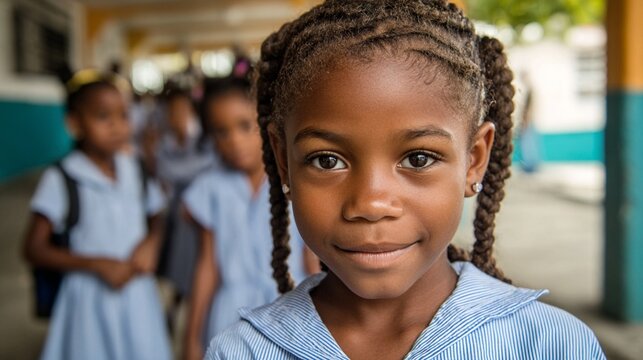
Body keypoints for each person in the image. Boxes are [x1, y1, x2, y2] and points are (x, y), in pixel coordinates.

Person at [205, 1, 606, 359]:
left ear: (474, 160)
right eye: (327, 160)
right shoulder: (243, 350)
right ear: (283, 161)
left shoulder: (551, 345)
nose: (371, 203)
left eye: (418, 158)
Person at [23, 68, 171, 360]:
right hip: (88, 298)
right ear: (74, 124)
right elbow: (33, 248)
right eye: (103, 117)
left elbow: (157, 214)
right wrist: (96, 265)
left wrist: (152, 243)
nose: (117, 126)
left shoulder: (135, 168)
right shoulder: (63, 177)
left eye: (123, 116)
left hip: (137, 293)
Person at [182, 76, 317, 360]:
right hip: (230, 311)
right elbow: (207, 265)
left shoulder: (295, 180)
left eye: (245, 126)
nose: (234, 141)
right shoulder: (210, 187)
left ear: (268, 125)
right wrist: (191, 336)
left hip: (292, 305)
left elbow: (311, 260)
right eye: (221, 132)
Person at [153, 89, 217, 332]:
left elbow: (177, 173)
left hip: (203, 219)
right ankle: (178, 310)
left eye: (183, 111)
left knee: (203, 267)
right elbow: (165, 174)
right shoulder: (166, 145)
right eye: (173, 112)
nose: (177, 116)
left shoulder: (205, 142)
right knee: (181, 268)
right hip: (180, 220)